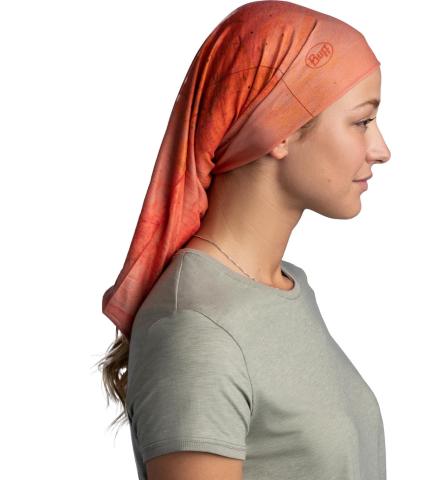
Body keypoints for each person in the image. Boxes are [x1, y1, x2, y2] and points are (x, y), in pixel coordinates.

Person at [96, 1, 391, 479]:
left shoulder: (286, 287)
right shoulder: (197, 330)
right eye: (361, 122)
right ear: (279, 130)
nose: (381, 150)